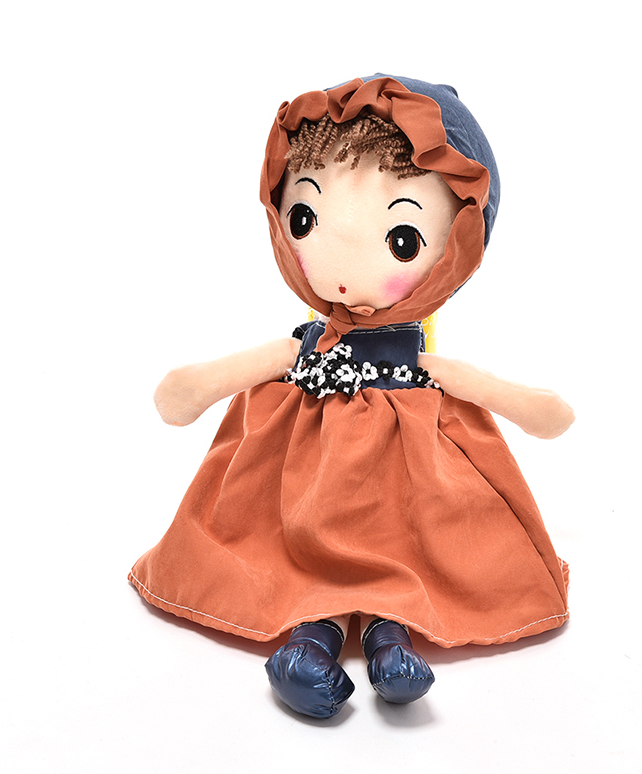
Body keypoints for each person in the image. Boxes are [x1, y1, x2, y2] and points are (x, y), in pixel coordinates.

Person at [130, 75, 574, 719]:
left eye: (402, 239)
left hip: (406, 485)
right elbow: (238, 373)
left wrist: (532, 406)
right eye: (304, 219)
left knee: (407, 545)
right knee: (305, 548)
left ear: (457, 246)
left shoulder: (420, 361)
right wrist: (195, 388)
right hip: (304, 483)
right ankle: (313, 639)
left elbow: (488, 390)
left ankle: (390, 637)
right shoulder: (304, 347)